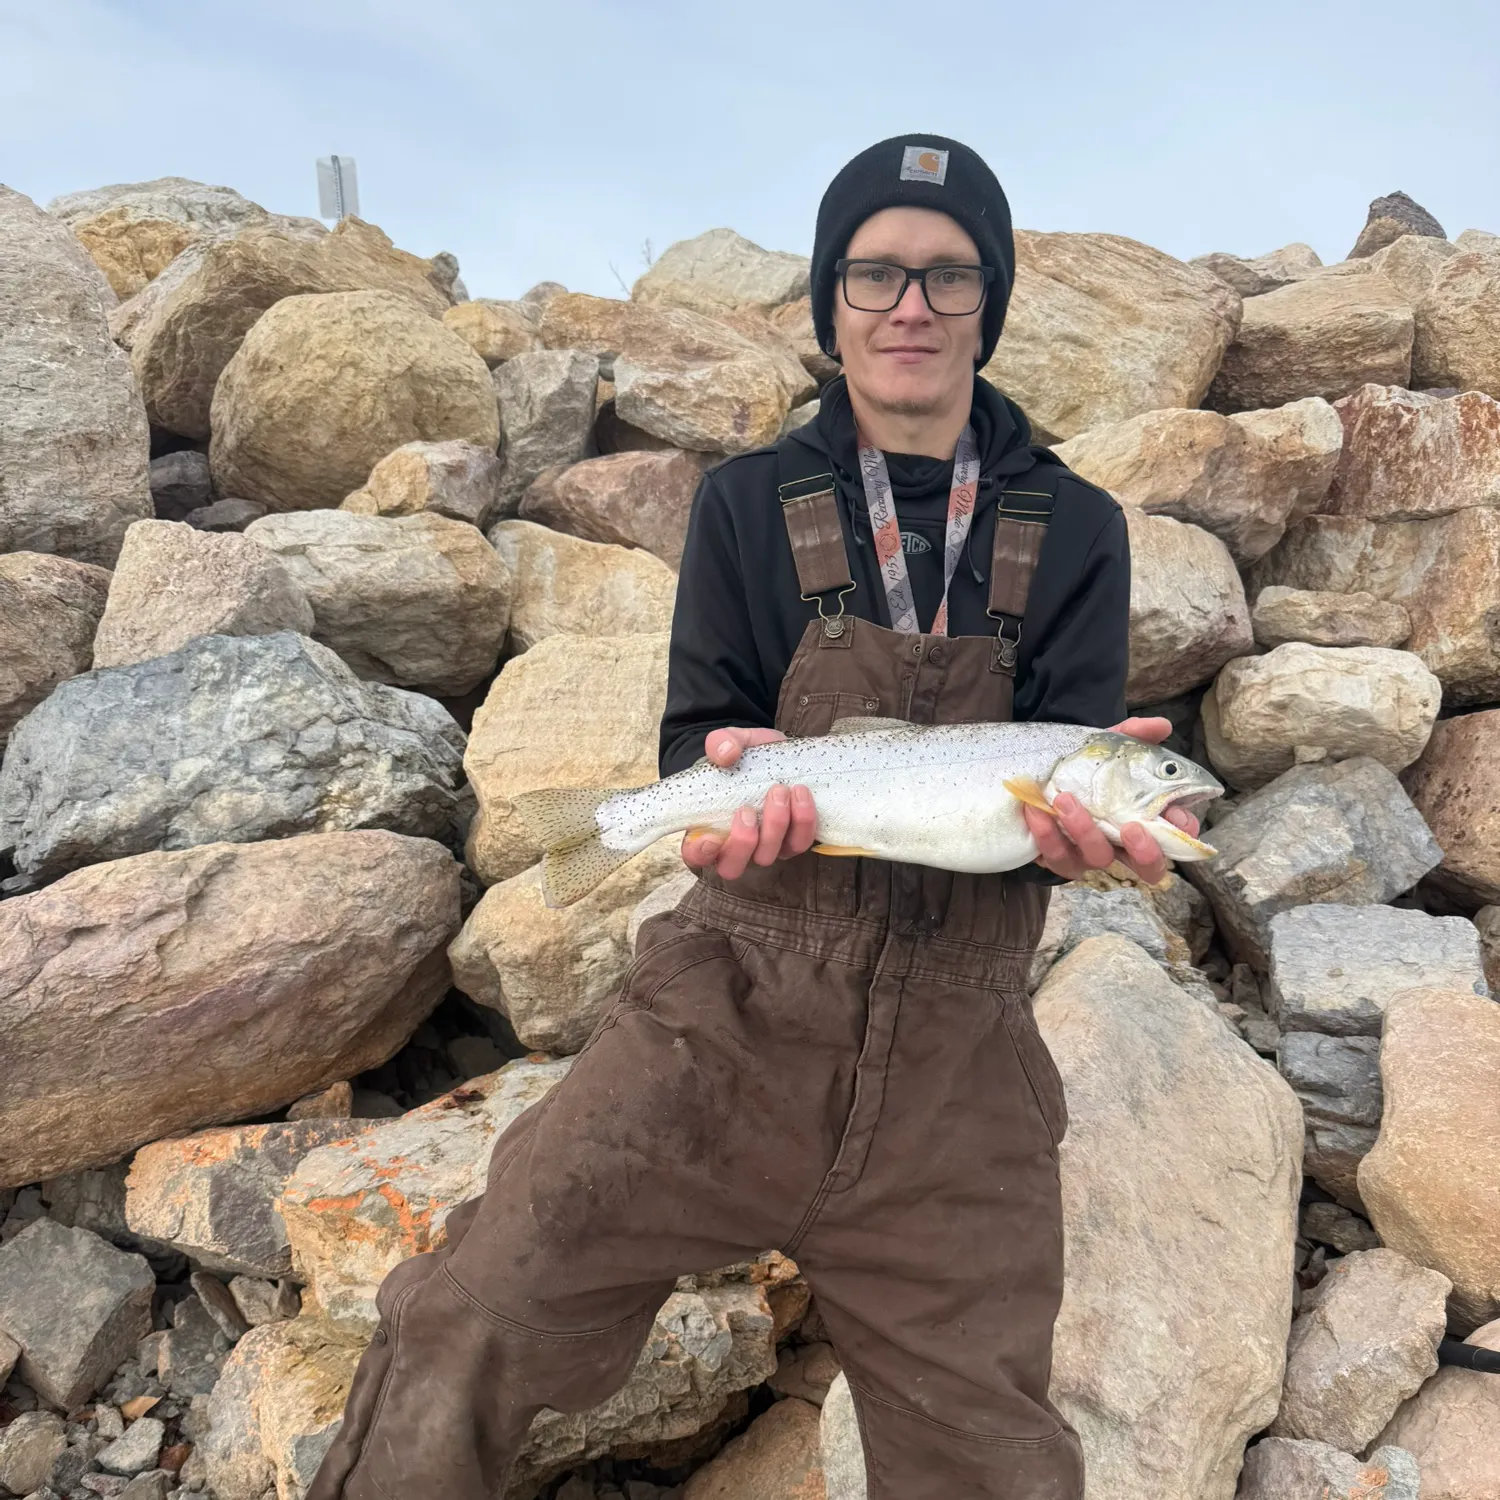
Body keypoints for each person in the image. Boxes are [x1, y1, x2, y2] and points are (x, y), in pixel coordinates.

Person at [309, 133, 1199, 1500]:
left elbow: (1076, 751)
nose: (910, 305)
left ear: (992, 302)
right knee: (467, 1319)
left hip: (959, 1079)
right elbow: (702, 727)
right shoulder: (741, 504)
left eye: (950, 277)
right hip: (721, 1018)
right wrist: (713, 791)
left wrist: (1094, 840)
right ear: (831, 299)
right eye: (877, 273)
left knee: (996, 1465)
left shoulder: (1073, 524)